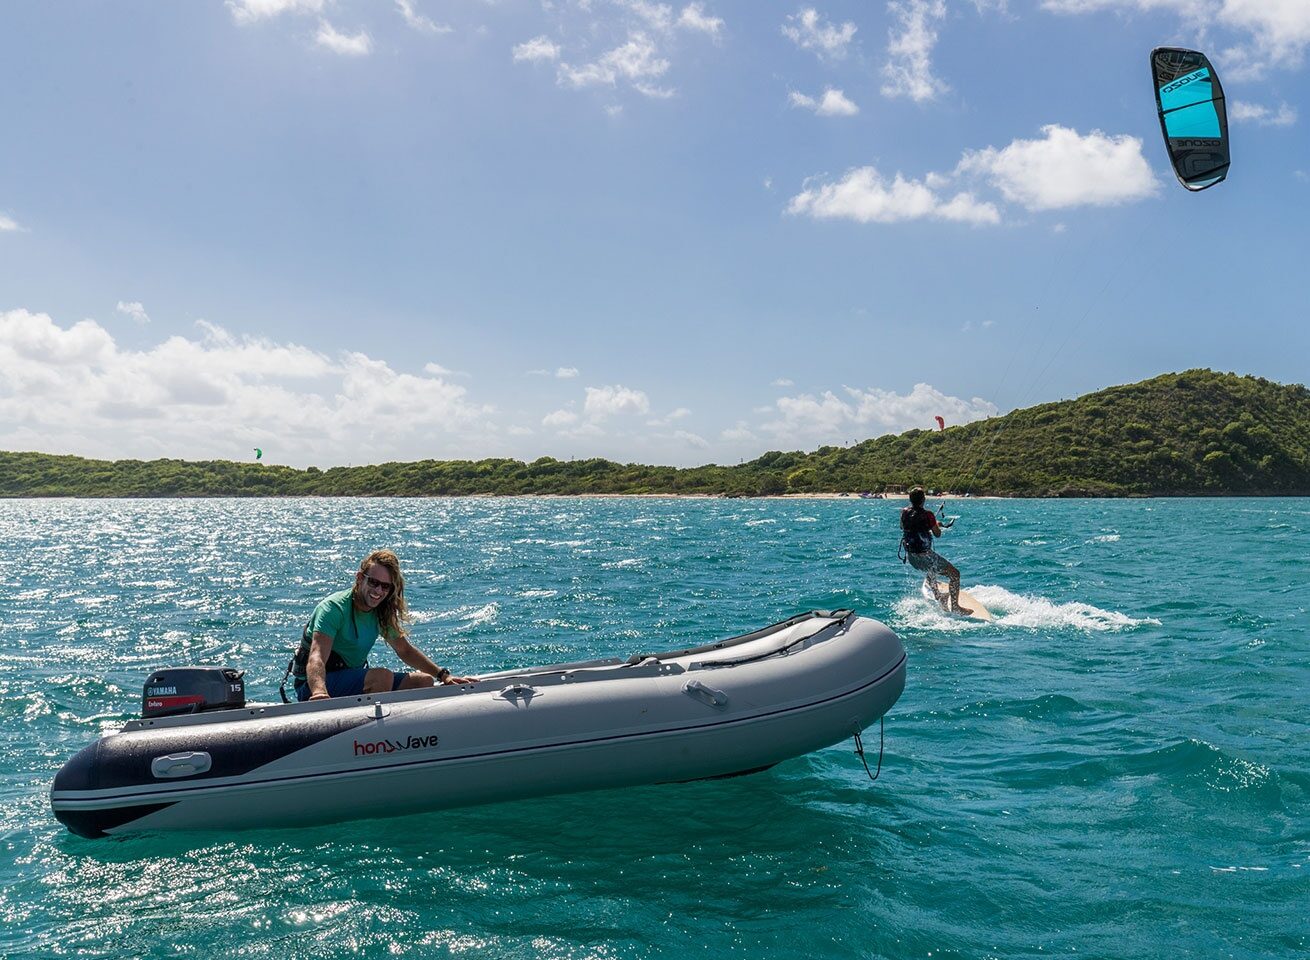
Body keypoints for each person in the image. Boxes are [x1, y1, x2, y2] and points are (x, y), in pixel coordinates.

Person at [290, 550, 474, 702]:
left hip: (348, 679)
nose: (378, 591)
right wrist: (319, 693)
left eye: (385, 587)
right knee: (382, 677)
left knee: (423, 681)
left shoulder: (380, 612)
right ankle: (368, 738)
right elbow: (317, 656)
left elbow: (405, 651)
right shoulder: (333, 608)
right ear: (360, 578)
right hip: (313, 686)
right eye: (374, 582)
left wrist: (443, 676)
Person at [899, 487, 971, 615]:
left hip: (911, 557)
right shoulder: (928, 515)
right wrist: (936, 525)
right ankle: (955, 607)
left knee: (930, 570)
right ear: (923, 500)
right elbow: (937, 534)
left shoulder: (904, 512)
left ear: (910, 500)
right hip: (925, 557)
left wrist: (932, 523)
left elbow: (904, 526)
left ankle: (940, 596)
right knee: (955, 574)